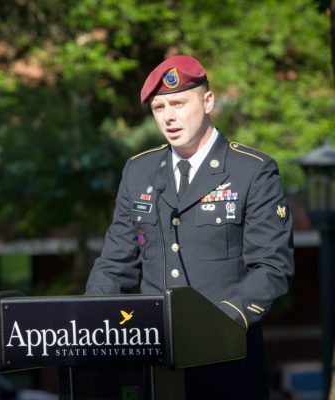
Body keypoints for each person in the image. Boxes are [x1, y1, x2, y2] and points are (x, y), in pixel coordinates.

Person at [85, 55, 294, 399]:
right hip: (156, 361)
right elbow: (116, 262)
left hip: (227, 359)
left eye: (179, 103)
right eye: (158, 107)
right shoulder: (139, 171)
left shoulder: (250, 170)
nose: (168, 116)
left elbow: (272, 268)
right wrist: (94, 322)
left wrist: (222, 324)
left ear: (208, 101)